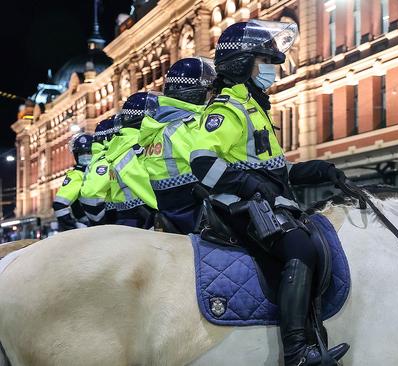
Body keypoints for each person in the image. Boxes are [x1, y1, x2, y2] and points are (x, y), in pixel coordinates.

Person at [190, 20, 349, 366]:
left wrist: (316, 170)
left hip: (262, 205)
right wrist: (246, 184)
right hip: (238, 210)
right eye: (265, 62)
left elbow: (275, 170)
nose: (272, 71)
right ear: (243, 64)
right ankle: (295, 351)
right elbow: (201, 163)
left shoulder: (255, 110)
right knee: (300, 249)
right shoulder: (227, 110)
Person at [138, 57, 217, 233]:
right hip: (196, 213)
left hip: (169, 211)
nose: (212, 97)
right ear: (195, 92)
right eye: (210, 92)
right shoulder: (189, 125)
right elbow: (212, 168)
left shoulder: (155, 129)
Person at [106, 92, 158, 228]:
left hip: (125, 219)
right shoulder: (136, 146)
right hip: (143, 221)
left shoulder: (119, 146)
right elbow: (146, 186)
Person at [80, 116, 118, 226]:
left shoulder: (103, 158)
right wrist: (100, 221)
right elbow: (91, 194)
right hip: (114, 219)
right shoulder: (104, 160)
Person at [52, 133, 93, 231]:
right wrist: (73, 226)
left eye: (89, 152)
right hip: (95, 227)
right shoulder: (77, 175)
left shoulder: (102, 169)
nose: (86, 156)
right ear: (76, 155)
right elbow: (59, 204)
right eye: (81, 153)